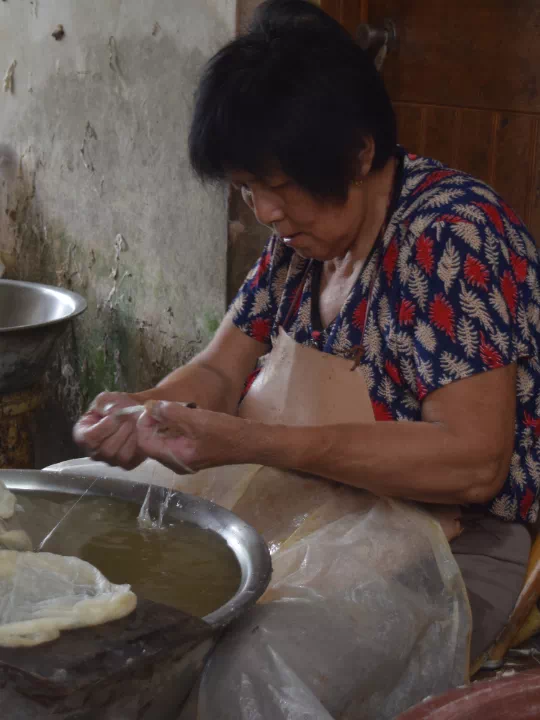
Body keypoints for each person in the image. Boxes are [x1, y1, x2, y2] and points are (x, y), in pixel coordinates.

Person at [74, 0, 540, 710]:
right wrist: (140, 412)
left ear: (358, 153)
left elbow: (475, 463)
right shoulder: (303, 242)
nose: (265, 211)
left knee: (256, 661)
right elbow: (220, 370)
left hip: (454, 543)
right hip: (314, 502)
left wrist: (253, 442)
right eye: (248, 188)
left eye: (280, 185)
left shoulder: (451, 237)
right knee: (93, 541)